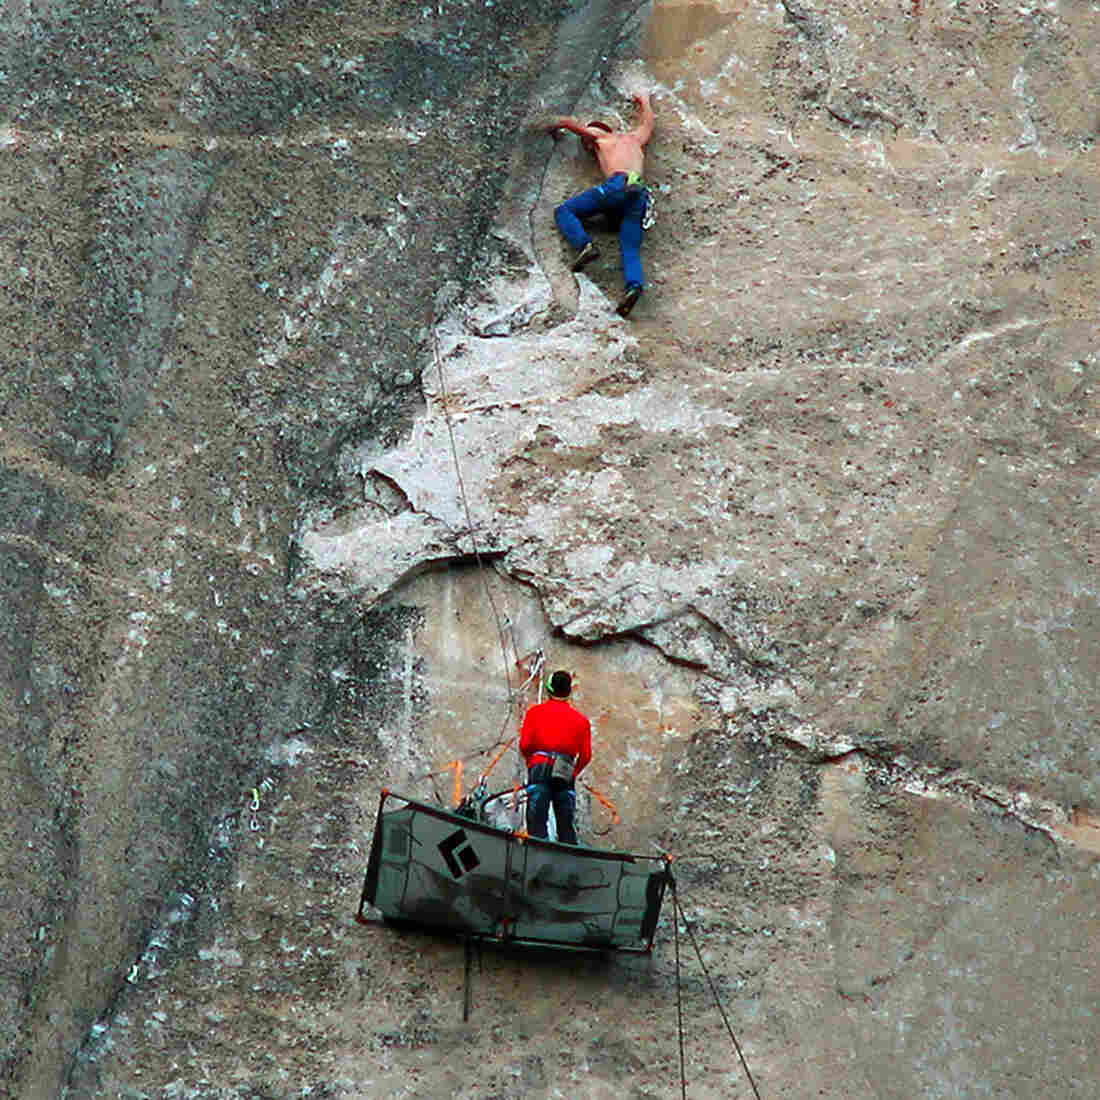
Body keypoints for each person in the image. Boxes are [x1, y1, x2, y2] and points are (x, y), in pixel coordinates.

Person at [546, 92, 655, 318]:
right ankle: (634, 286)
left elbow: (568, 123)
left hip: (618, 184)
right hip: (639, 192)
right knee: (629, 247)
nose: (587, 146)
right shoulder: (635, 140)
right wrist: (644, 100)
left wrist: (548, 125)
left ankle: (585, 245)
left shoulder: (602, 139)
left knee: (564, 211)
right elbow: (648, 123)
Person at [519, 670, 592, 844]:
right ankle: (568, 863)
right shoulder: (581, 721)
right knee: (566, 824)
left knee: (537, 824)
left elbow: (525, 745)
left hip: (540, 767)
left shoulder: (535, 713)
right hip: (565, 770)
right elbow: (586, 756)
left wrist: (532, 761)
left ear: (549, 689)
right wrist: (574, 772)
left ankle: (536, 859)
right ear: (569, 692)